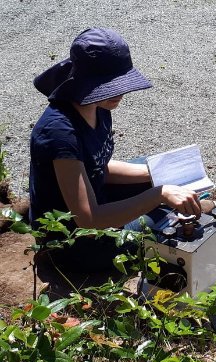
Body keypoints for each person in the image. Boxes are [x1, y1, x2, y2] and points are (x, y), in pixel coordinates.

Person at [29, 27, 203, 272]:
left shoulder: (98, 107)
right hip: (74, 242)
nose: (120, 92)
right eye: (109, 86)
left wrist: (157, 174)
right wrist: (159, 193)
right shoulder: (59, 133)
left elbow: (99, 167)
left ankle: (179, 203)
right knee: (161, 220)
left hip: (95, 194)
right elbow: (88, 219)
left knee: (158, 168)